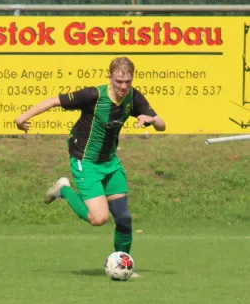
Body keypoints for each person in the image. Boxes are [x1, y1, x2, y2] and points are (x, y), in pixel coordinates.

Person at [15, 56, 165, 262]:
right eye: (119, 82)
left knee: (124, 219)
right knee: (99, 218)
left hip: (110, 163)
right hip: (85, 161)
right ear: (110, 77)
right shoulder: (93, 95)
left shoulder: (134, 97)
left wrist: (153, 119)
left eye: (127, 81)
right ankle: (63, 190)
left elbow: (161, 125)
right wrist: (22, 118)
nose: (123, 86)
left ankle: (123, 264)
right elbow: (53, 101)